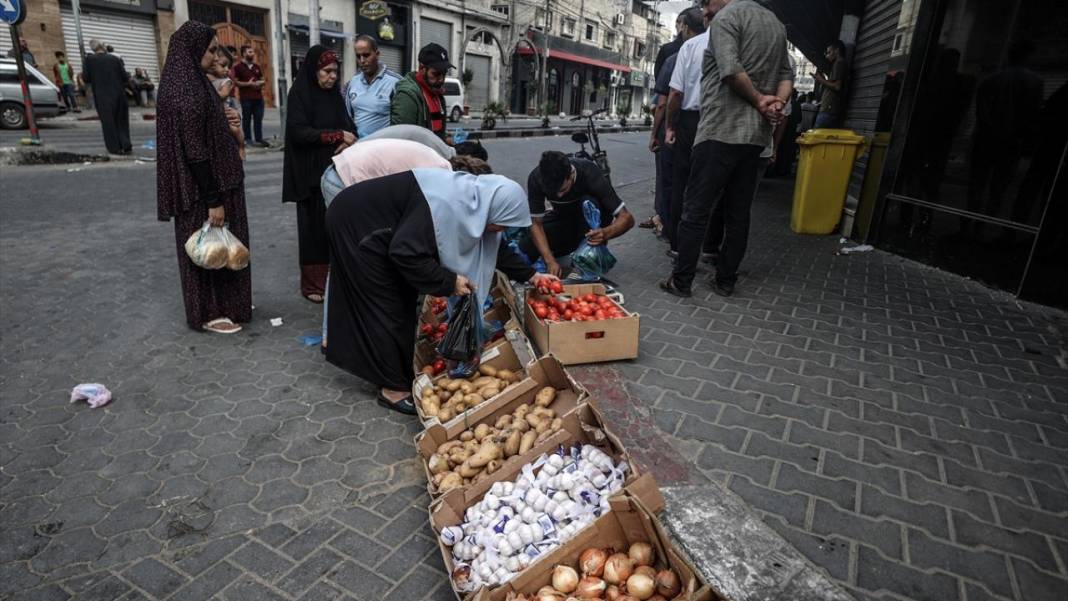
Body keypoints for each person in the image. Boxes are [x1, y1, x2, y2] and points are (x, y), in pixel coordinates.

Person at [324, 169, 549, 414]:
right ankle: (392, 389)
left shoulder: (476, 203)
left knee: (402, 302)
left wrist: (532, 275)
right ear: (495, 210)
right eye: (502, 224)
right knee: (387, 305)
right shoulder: (445, 205)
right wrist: (448, 281)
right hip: (358, 223)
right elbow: (404, 252)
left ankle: (394, 371)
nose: (501, 230)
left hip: (384, 226)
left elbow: (499, 249)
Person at [660, 0, 793, 299]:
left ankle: (681, 281)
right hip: (756, 137)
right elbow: (787, 75)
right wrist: (778, 103)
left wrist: (760, 99)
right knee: (738, 213)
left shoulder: (727, 18)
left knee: (696, 209)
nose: (704, 9)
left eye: (707, 2)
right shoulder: (775, 23)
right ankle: (725, 280)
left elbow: (730, 70)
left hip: (720, 130)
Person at [318, 138, 472, 347]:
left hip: (350, 167)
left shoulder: (440, 165)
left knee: (358, 259)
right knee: (349, 260)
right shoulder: (441, 175)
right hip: (343, 178)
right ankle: (334, 336)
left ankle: (346, 333)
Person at [156, 21, 250, 334]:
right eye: (210, 50)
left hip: (215, 183)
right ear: (193, 50)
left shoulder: (192, 83)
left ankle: (227, 305)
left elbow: (202, 133)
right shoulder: (185, 91)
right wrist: (214, 201)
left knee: (220, 251)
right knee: (207, 252)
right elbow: (195, 154)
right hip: (203, 191)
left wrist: (224, 120)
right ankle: (210, 312)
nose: (214, 57)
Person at [282, 46, 357, 304]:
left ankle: (335, 280)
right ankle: (313, 284)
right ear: (314, 71)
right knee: (312, 230)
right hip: (309, 175)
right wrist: (336, 136)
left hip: (334, 173)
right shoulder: (299, 95)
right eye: (327, 71)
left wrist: (347, 140)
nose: (332, 76)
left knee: (333, 227)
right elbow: (299, 133)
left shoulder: (334, 96)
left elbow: (350, 128)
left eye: (335, 71)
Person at [518, 151, 636, 277]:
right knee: (526, 245)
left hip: (591, 227)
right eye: (553, 191)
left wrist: (605, 233)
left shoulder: (589, 172)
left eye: (562, 190)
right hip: (565, 220)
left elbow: (627, 219)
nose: (558, 195)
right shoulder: (536, 178)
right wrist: (550, 260)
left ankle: (587, 258)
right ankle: (565, 256)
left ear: (571, 174)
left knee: (588, 202)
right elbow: (536, 224)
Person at [663, 6, 709, 254]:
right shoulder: (729, 43)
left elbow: (676, 93)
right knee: (706, 186)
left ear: (687, 27)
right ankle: (707, 246)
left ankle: (678, 245)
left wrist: (670, 126)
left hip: (690, 121)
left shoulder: (690, 47)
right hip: (716, 120)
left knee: (681, 184)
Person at [391, 43, 452, 142]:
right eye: (436, 74)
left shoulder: (437, 96)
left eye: (444, 73)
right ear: (422, 68)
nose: (441, 79)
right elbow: (402, 140)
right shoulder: (407, 96)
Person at [344, 35, 401, 138]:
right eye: (358, 56)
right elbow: (348, 117)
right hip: (359, 147)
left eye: (366, 55)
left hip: (384, 148)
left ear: (377, 54)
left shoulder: (396, 82)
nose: (362, 61)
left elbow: (402, 122)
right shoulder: (353, 82)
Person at [83, 39, 132, 155]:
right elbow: (125, 77)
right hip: (118, 93)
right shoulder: (115, 59)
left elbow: (87, 78)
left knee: (108, 122)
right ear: (103, 46)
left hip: (102, 95)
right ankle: (125, 144)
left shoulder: (89, 60)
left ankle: (114, 148)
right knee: (121, 120)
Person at [232, 45, 269, 147]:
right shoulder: (238, 67)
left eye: (252, 52)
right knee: (247, 119)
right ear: (244, 53)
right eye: (250, 52)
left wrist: (259, 83)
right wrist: (248, 84)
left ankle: (259, 139)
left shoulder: (256, 67)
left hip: (258, 98)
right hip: (246, 98)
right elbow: (235, 82)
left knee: (258, 119)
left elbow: (262, 79)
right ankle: (247, 139)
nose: (252, 54)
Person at [813, 40, 848, 128]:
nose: (826, 55)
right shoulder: (838, 63)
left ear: (837, 51)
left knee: (817, 136)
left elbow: (837, 86)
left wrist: (821, 80)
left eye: (829, 52)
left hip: (829, 110)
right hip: (829, 109)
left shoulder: (839, 63)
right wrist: (823, 80)